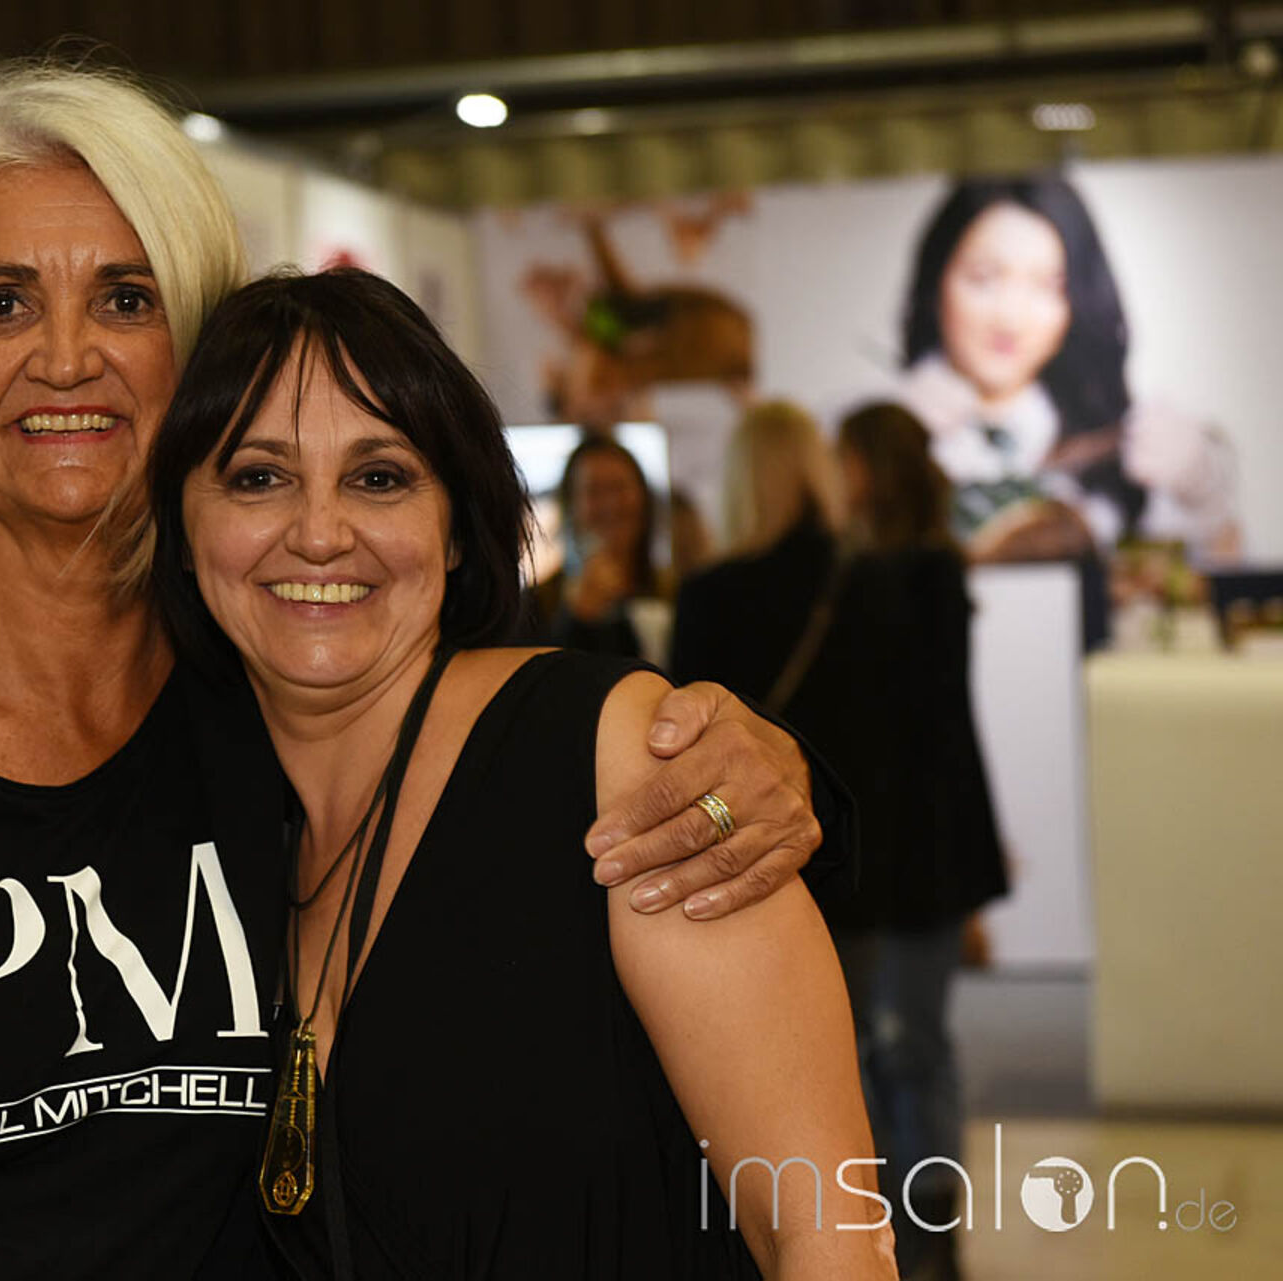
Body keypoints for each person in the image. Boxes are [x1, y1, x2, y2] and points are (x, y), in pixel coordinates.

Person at [0, 65, 853, 1280]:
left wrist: (766, 766)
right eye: (2, 301)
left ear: (196, 355)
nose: (65, 357)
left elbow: (524, 813)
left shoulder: (266, 705)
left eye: (126, 299)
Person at [149, 268, 894, 1280]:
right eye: (257, 477)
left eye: (379, 477)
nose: (318, 532)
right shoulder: (222, 832)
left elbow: (826, 1232)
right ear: (183, 529)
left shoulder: (612, 759)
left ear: (456, 528)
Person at [670, 401, 1005, 1281]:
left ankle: (847, 1240)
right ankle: (921, 1246)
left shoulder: (713, 595)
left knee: (819, 1068)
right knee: (907, 1051)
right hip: (879, 857)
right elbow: (925, 736)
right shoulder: (878, 582)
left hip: (760, 875)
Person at [897, 174, 1239, 567]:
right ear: (937, 281)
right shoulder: (893, 425)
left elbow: (1218, 559)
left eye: (1047, 286)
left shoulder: (1118, 440)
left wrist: (1199, 490)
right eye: (984, 279)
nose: (1010, 318)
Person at [519, 436, 668, 659]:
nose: (610, 504)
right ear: (571, 506)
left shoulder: (675, 591)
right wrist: (578, 618)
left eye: (619, 488)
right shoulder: (536, 606)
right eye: (594, 491)